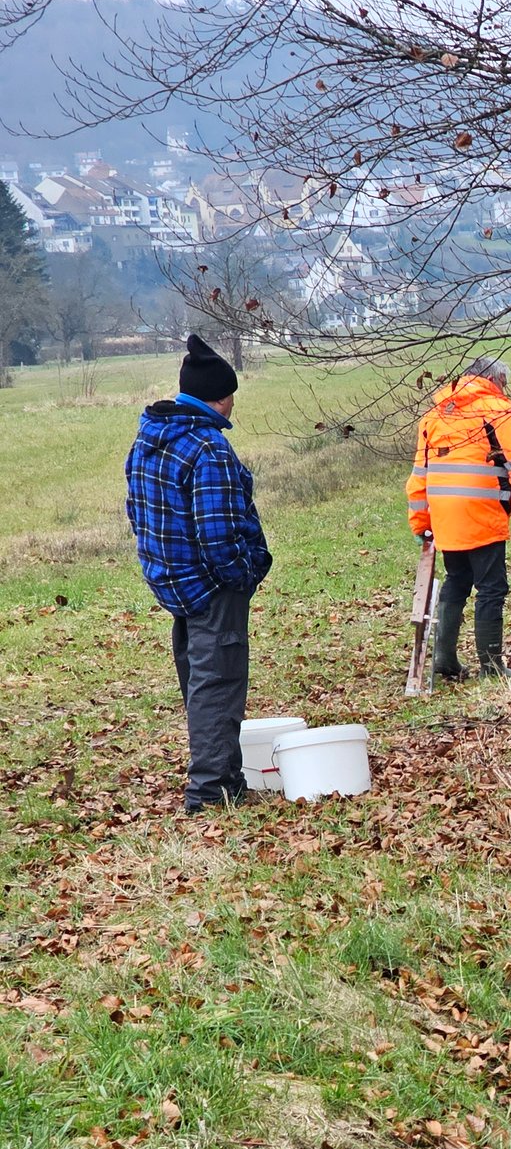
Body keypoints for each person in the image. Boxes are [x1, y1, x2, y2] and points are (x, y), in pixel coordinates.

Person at [126, 334, 272, 814]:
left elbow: (138, 511)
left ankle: (227, 777)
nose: (232, 407)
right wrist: (247, 571)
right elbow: (219, 537)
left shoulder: (150, 437)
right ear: (220, 397)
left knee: (200, 678)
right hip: (212, 587)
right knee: (217, 683)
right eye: (230, 398)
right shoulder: (207, 449)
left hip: (172, 581)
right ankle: (209, 792)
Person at [406, 357, 511, 680]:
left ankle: (444, 661)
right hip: (483, 512)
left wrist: (420, 521)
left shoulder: (435, 415)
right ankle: (491, 667)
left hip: (445, 517)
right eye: (504, 383)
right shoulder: (499, 410)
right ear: (496, 380)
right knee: (491, 588)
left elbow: (419, 475)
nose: (506, 389)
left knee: (457, 580)